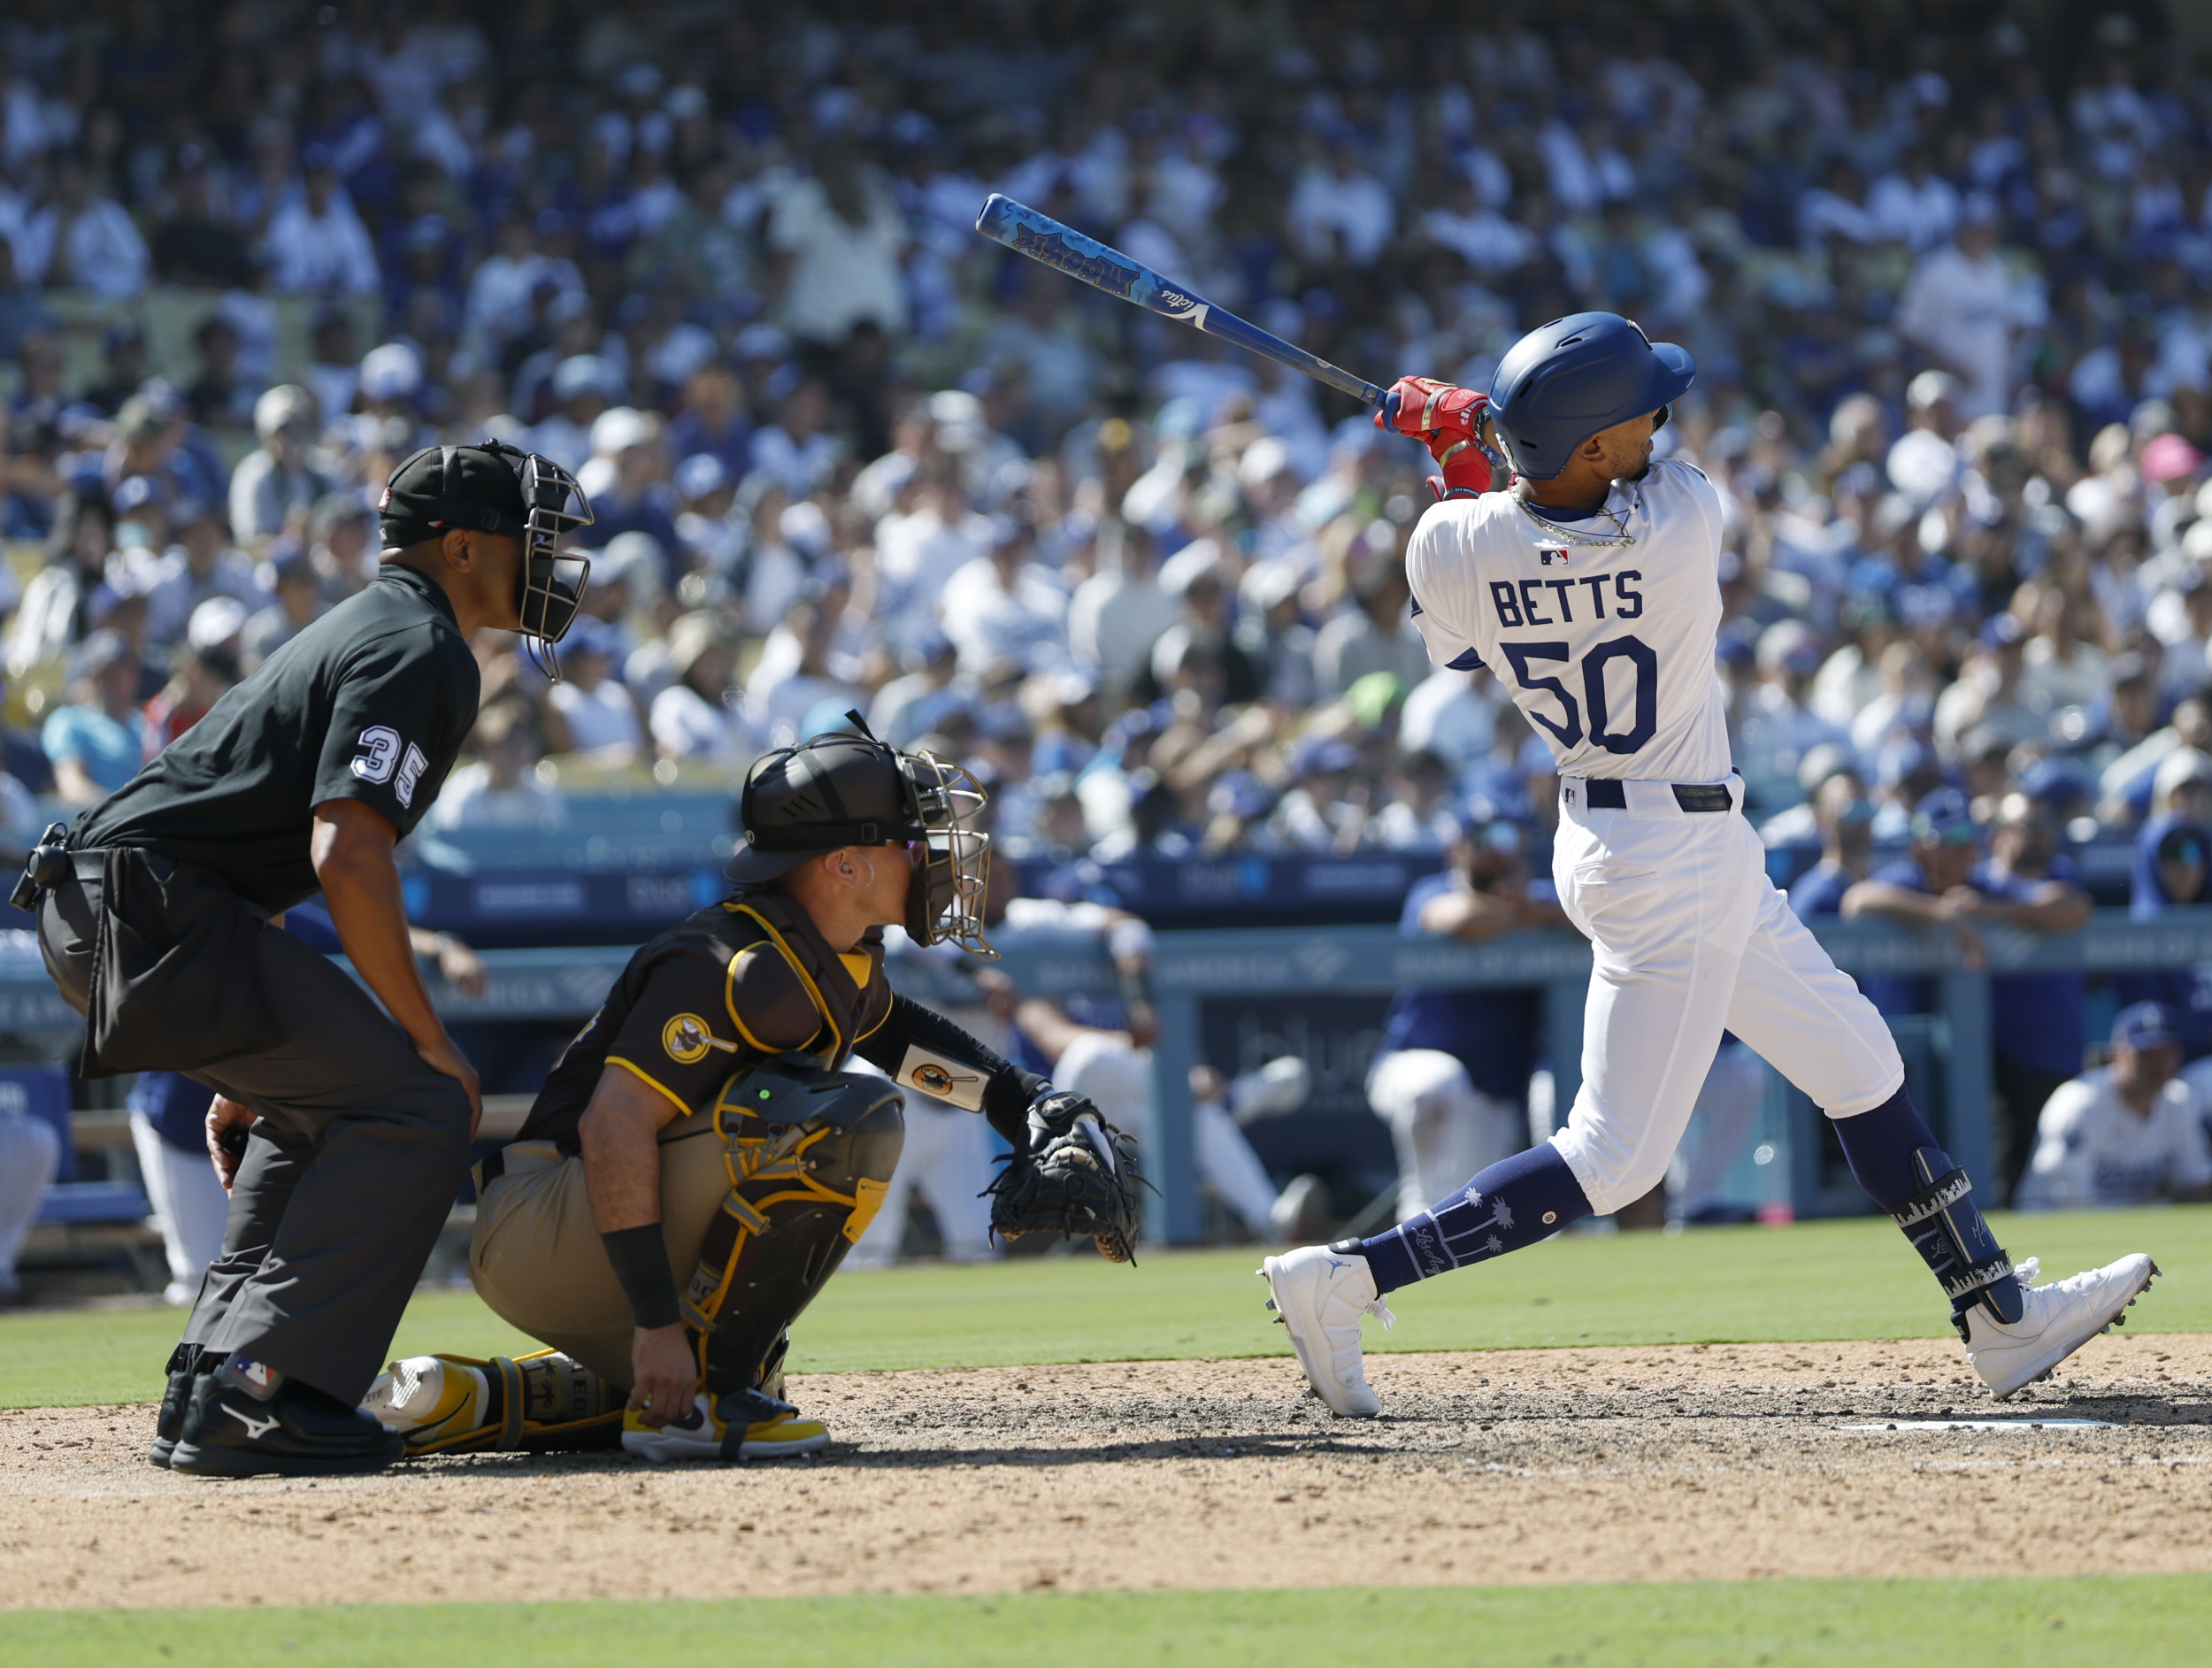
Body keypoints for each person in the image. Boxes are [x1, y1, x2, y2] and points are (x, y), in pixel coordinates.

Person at [1258, 313, 2155, 1419]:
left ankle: (1997, 1315)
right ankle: (1344, 1279)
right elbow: (1554, 513)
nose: (1659, 423)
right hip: (1671, 852)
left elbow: (1470, 578)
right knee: (1617, 1158)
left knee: (1857, 1057)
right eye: (1638, 415)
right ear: (1587, 448)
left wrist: (1455, 445)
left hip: (1635, 839)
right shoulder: (1682, 517)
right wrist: (1471, 431)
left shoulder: (1443, 547)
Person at [18, 439, 595, 1478]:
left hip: (127, 904)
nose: (547, 560)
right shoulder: (423, 647)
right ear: (462, 547)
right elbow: (346, 849)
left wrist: (260, 1067)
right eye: (529, 539)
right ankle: (265, 1389)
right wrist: (428, 1040)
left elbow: (258, 844)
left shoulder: (372, 626)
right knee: (419, 1101)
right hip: (153, 912)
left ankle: (216, 1379)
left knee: (328, 1107)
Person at [363, 726, 1119, 1462]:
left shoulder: (830, 950)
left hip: (592, 1223)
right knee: (843, 1120)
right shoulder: (732, 959)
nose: (931, 853)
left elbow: (906, 1042)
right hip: (542, 1216)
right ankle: (705, 1397)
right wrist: (658, 1324)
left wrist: (1025, 1105)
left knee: (747, 1358)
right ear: (844, 864)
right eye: (909, 837)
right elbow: (612, 1125)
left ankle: (490, 1397)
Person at [1844, 789, 2093, 1203]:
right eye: (1950, 841)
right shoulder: (1907, 880)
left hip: (1961, 1054)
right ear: (1922, 847)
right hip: (1892, 1049)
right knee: (1895, 1167)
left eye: (1967, 840)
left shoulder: (1982, 887)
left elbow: (2072, 906)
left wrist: (1984, 912)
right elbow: (1858, 899)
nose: (1963, 852)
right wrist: (1942, 913)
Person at [1365, 813, 1563, 1223]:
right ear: (1458, 850)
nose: (1496, 856)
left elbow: (1587, 918)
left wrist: (1536, 909)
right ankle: (1414, 1217)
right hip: (1412, 1063)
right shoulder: (1433, 889)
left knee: (1478, 1214)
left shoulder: (1541, 895)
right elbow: (1458, 918)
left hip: (1494, 1092)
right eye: (1483, 844)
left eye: (1507, 847)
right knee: (1437, 1084)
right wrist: (1528, 916)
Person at [2018, 1004, 2212, 1211]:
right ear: (2115, 1056)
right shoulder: (2080, 1103)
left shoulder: (2181, 1102)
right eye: (2145, 1055)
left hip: (2135, 1228)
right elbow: (2071, 1200)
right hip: (2051, 1226)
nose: (2156, 1065)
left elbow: (2196, 1184)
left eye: (2164, 1054)